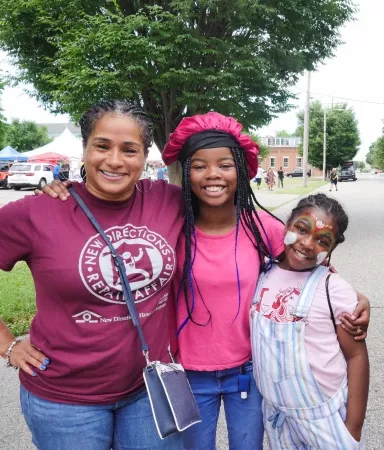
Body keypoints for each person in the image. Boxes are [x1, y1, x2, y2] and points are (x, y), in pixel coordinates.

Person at [39, 111, 370, 449]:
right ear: (186, 172)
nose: (213, 175)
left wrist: (357, 299)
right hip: (186, 373)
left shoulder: (261, 228)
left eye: (225, 165)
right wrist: (69, 190)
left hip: (249, 373)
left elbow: (306, 265)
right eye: (199, 166)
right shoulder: (167, 224)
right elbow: (112, 201)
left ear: (241, 171)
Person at [0, 100, 184, 450]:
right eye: (102, 146)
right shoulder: (39, 211)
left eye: (129, 149)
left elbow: (231, 216)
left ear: (145, 156)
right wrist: (8, 346)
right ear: (84, 150)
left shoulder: (168, 200)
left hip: (149, 392)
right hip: (64, 401)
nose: (114, 160)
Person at [250, 194, 369, 450]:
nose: (306, 243)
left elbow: (356, 357)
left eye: (322, 241)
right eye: (301, 229)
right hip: (278, 418)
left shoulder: (333, 288)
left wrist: (353, 428)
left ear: (332, 248)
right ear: (287, 224)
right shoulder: (261, 273)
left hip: (325, 420)